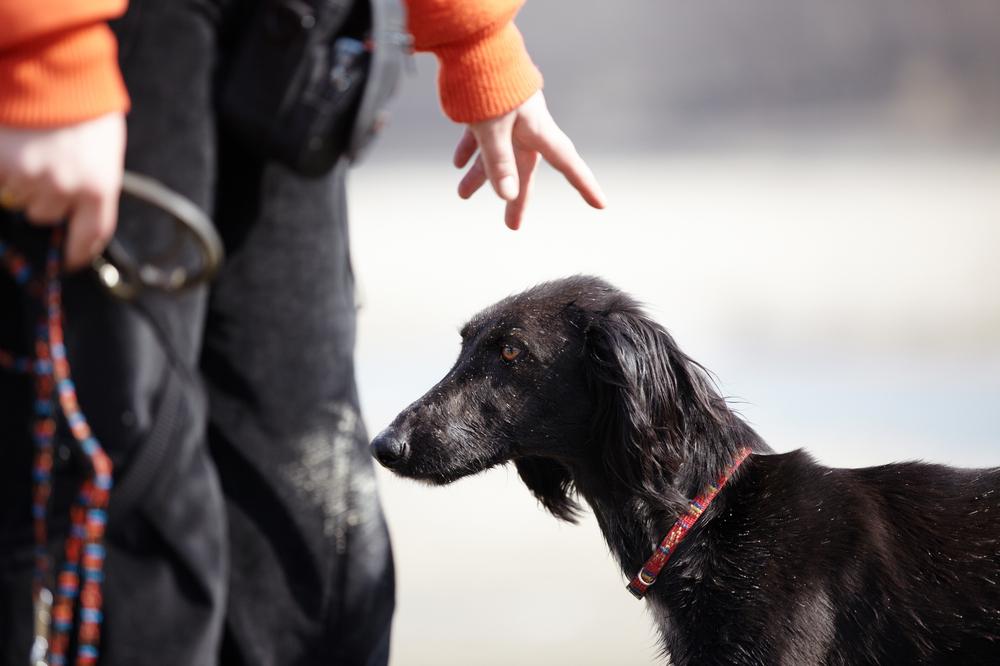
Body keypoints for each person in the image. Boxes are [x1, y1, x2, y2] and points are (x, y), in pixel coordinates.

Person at [0, 0, 605, 663]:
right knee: (131, 519)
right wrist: (45, 48)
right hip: (121, 49)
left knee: (313, 538)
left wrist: (476, 34)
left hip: (300, 48)